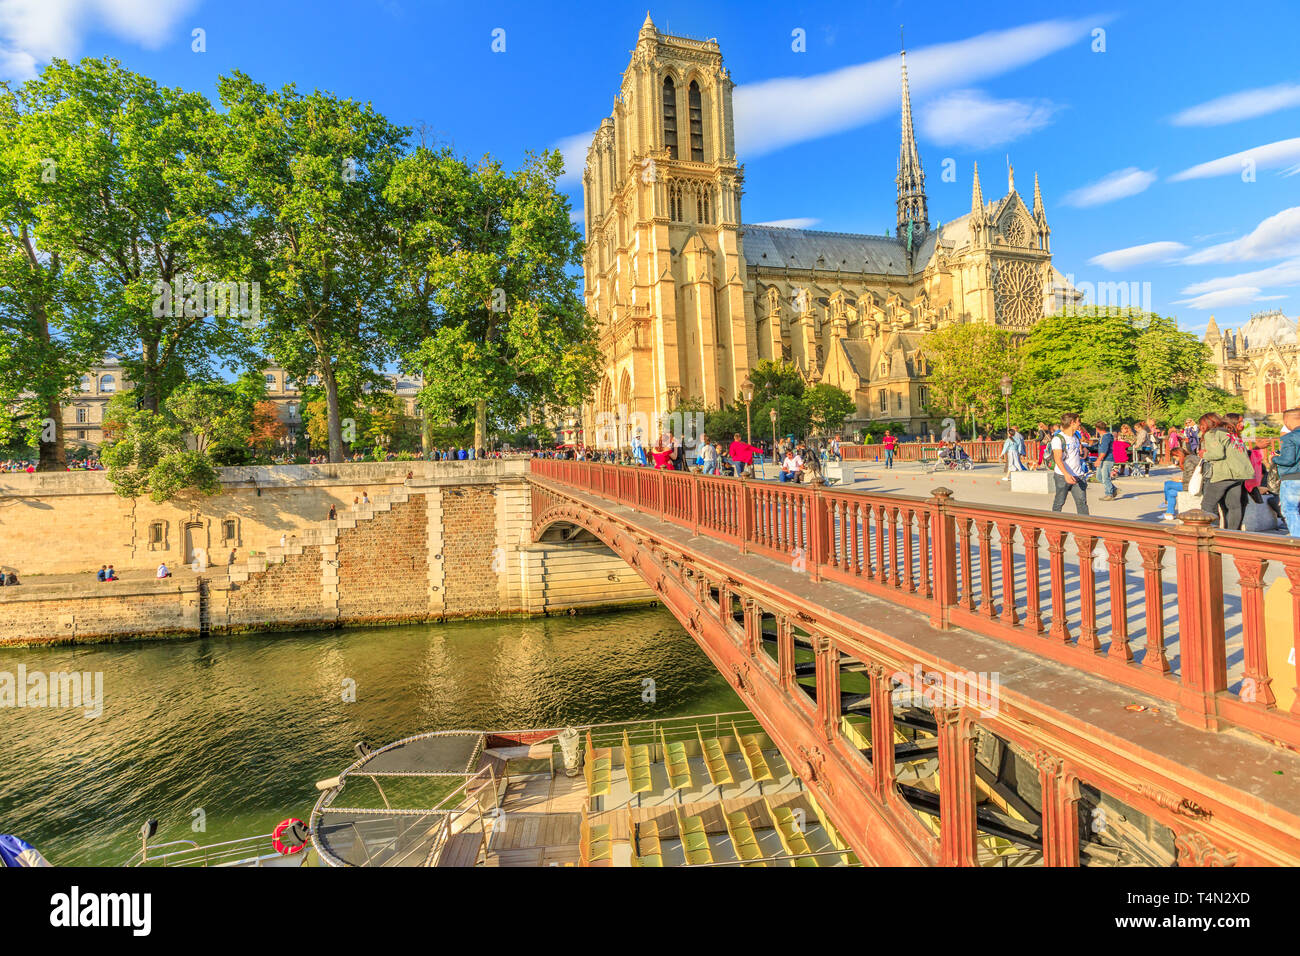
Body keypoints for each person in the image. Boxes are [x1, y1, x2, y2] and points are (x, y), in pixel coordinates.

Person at [1197, 412, 1253, 530]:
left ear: (1207, 423)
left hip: (1224, 473)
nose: (1200, 427)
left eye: (1201, 424)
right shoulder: (1231, 434)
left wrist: (1204, 454)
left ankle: (1210, 534)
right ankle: (1233, 535)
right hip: (1239, 474)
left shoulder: (1212, 433)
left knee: (1207, 505)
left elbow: (1217, 454)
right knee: (1234, 506)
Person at [1049, 414, 1089, 515]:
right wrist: (1066, 474)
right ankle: (1055, 525)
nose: (1080, 423)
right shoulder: (1058, 439)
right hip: (1062, 475)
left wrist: (1084, 451)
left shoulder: (1075, 436)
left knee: (1082, 503)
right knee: (1059, 502)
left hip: (1078, 475)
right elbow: (1058, 459)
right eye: (1078, 421)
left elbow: (1077, 450)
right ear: (1072, 423)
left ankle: (1084, 527)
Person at [1272, 408, 1300, 536]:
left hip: (1292, 478)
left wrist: (1274, 458)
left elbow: (1288, 460)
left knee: (1290, 510)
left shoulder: (1289, 437)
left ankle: (1297, 540)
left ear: (1287, 421)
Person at [1093, 422, 1119, 500]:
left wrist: (1098, 460)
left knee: (1105, 477)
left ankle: (1109, 494)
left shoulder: (1106, 437)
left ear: (1097, 429)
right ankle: (1114, 489)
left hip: (1107, 459)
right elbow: (1098, 446)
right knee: (1099, 477)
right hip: (1103, 459)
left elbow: (1104, 450)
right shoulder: (1103, 436)